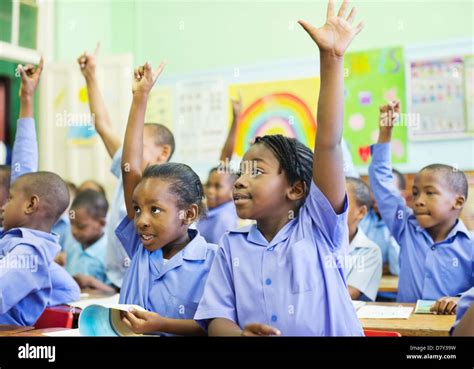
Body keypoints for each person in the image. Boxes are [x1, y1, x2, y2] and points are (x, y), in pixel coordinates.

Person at [194, 0, 365, 336]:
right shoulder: (231, 246)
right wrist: (240, 335)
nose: (240, 181)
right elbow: (216, 319)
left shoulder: (319, 228)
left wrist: (331, 60)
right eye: (241, 171)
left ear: (296, 189)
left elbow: (328, 142)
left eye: (256, 171)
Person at [116, 61, 218, 336]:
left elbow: (216, 326)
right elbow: (130, 169)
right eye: (137, 210)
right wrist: (140, 96)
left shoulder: (213, 260)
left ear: (189, 214)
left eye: (156, 210)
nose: (141, 221)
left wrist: (162, 325)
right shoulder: (141, 247)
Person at [78, 44, 175, 289]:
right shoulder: (126, 172)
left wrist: (140, 96)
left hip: (145, 282)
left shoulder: (165, 189)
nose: (129, 149)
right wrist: (90, 75)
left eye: (139, 144)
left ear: (163, 153)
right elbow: (102, 125)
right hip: (114, 281)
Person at [369, 101, 473, 314]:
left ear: (458, 202)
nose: (418, 200)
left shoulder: (470, 245)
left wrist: (460, 299)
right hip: (407, 325)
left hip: (449, 328)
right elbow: (381, 182)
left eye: (430, 192)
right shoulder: (406, 227)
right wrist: (385, 133)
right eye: (415, 193)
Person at [345, 177, 382, 302]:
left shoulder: (369, 251)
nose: (330, 207)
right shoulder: (313, 243)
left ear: (361, 212)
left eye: (341, 202)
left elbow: (348, 294)